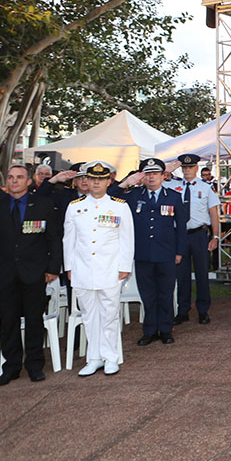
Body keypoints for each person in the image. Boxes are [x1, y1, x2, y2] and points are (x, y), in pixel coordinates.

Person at [0, 165, 62, 386]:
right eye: (10, 177)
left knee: (35, 321)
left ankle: (35, 366)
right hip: (4, 275)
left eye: (19, 177)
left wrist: (53, 268)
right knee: (8, 323)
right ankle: (11, 368)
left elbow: (54, 239)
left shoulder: (43, 205)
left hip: (34, 273)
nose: (15, 181)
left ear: (29, 181)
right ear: (5, 181)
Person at [63, 161, 135, 377]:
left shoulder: (119, 206)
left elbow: (127, 239)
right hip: (82, 271)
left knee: (110, 315)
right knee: (89, 316)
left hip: (110, 270)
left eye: (100, 179)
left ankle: (111, 358)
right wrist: (69, 267)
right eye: (91, 178)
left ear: (108, 181)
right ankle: (93, 358)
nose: (95, 182)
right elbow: (69, 240)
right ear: (84, 180)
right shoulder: (74, 206)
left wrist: (124, 267)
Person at [118, 158, 187, 346]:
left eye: (155, 173)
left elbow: (181, 226)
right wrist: (127, 182)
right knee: (147, 295)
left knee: (165, 293)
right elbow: (111, 195)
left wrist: (180, 251)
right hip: (143, 254)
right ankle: (149, 331)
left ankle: (165, 329)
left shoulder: (173, 196)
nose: (151, 177)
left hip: (166, 253)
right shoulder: (132, 196)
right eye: (147, 174)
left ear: (163, 176)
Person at [168, 153, 220, 326]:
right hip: (179, 235)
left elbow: (214, 214)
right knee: (181, 275)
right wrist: (169, 169)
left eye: (190, 167)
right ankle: (183, 310)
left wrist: (215, 236)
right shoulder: (174, 185)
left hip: (199, 234)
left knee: (201, 273)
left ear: (197, 168)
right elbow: (156, 178)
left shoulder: (205, 187)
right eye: (184, 167)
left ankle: (203, 310)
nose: (187, 170)